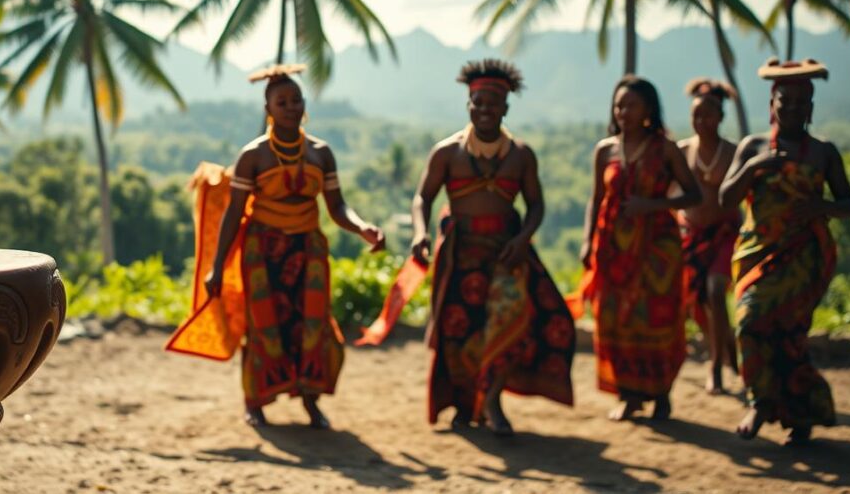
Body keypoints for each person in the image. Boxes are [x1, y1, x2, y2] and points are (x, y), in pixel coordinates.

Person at [166, 64, 385, 429]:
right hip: (263, 252)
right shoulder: (253, 155)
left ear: (304, 104)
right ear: (268, 109)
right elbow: (234, 214)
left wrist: (363, 228)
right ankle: (255, 402)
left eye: (296, 99)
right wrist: (217, 267)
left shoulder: (321, 153)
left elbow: (337, 207)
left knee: (312, 325)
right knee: (263, 326)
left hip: (309, 250)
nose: (290, 107)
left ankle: (311, 401)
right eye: (281, 102)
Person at [409, 59, 574, 436]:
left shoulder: (520, 155)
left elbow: (536, 205)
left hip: (506, 253)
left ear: (505, 108)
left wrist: (522, 238)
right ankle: (465, 405)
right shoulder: (447, 153)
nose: (484, 110)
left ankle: (493, 400)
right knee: (460, 329)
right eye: (478, 103)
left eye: (493, 104)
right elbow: (423, 197)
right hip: (460, 255)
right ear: (468, 105)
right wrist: (420, 233)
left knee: (508, 321)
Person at [719, 59, 850, 445]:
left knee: (790, 336)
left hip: (805, 259)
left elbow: (849, 204)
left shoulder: (824, 153)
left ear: (811, 107)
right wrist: (756, 166)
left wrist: (820, 207)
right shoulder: (753, 147)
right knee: (749, 321)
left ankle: (799, 416)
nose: (793, 108)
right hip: (756, 256)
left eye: (801, 102)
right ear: (771, 104)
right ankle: (761, 401)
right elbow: (725, 198)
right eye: (786, 101)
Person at [572, 76, 701, 421]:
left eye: (631, 105)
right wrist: (587, 241)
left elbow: (693, 194)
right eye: (619, 105)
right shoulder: (605, 150)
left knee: (656, 319)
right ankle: (628, 395)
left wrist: (653, 205)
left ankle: (661, 394)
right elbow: (596, 199)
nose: (623, 112)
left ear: (648, 110)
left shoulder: (666, 149)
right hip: (612, 249)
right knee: (614, 319)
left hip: (657, 251)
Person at [677, 79, 741, 395]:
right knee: (695, 301)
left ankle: (716, 368)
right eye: (696, 115)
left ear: (720, 117)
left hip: (724, 233)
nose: (701, 121)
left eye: (708, 115)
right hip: (690, 233)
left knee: (716, 290)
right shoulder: (681, 151)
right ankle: (726, 349)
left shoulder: (733, 152)